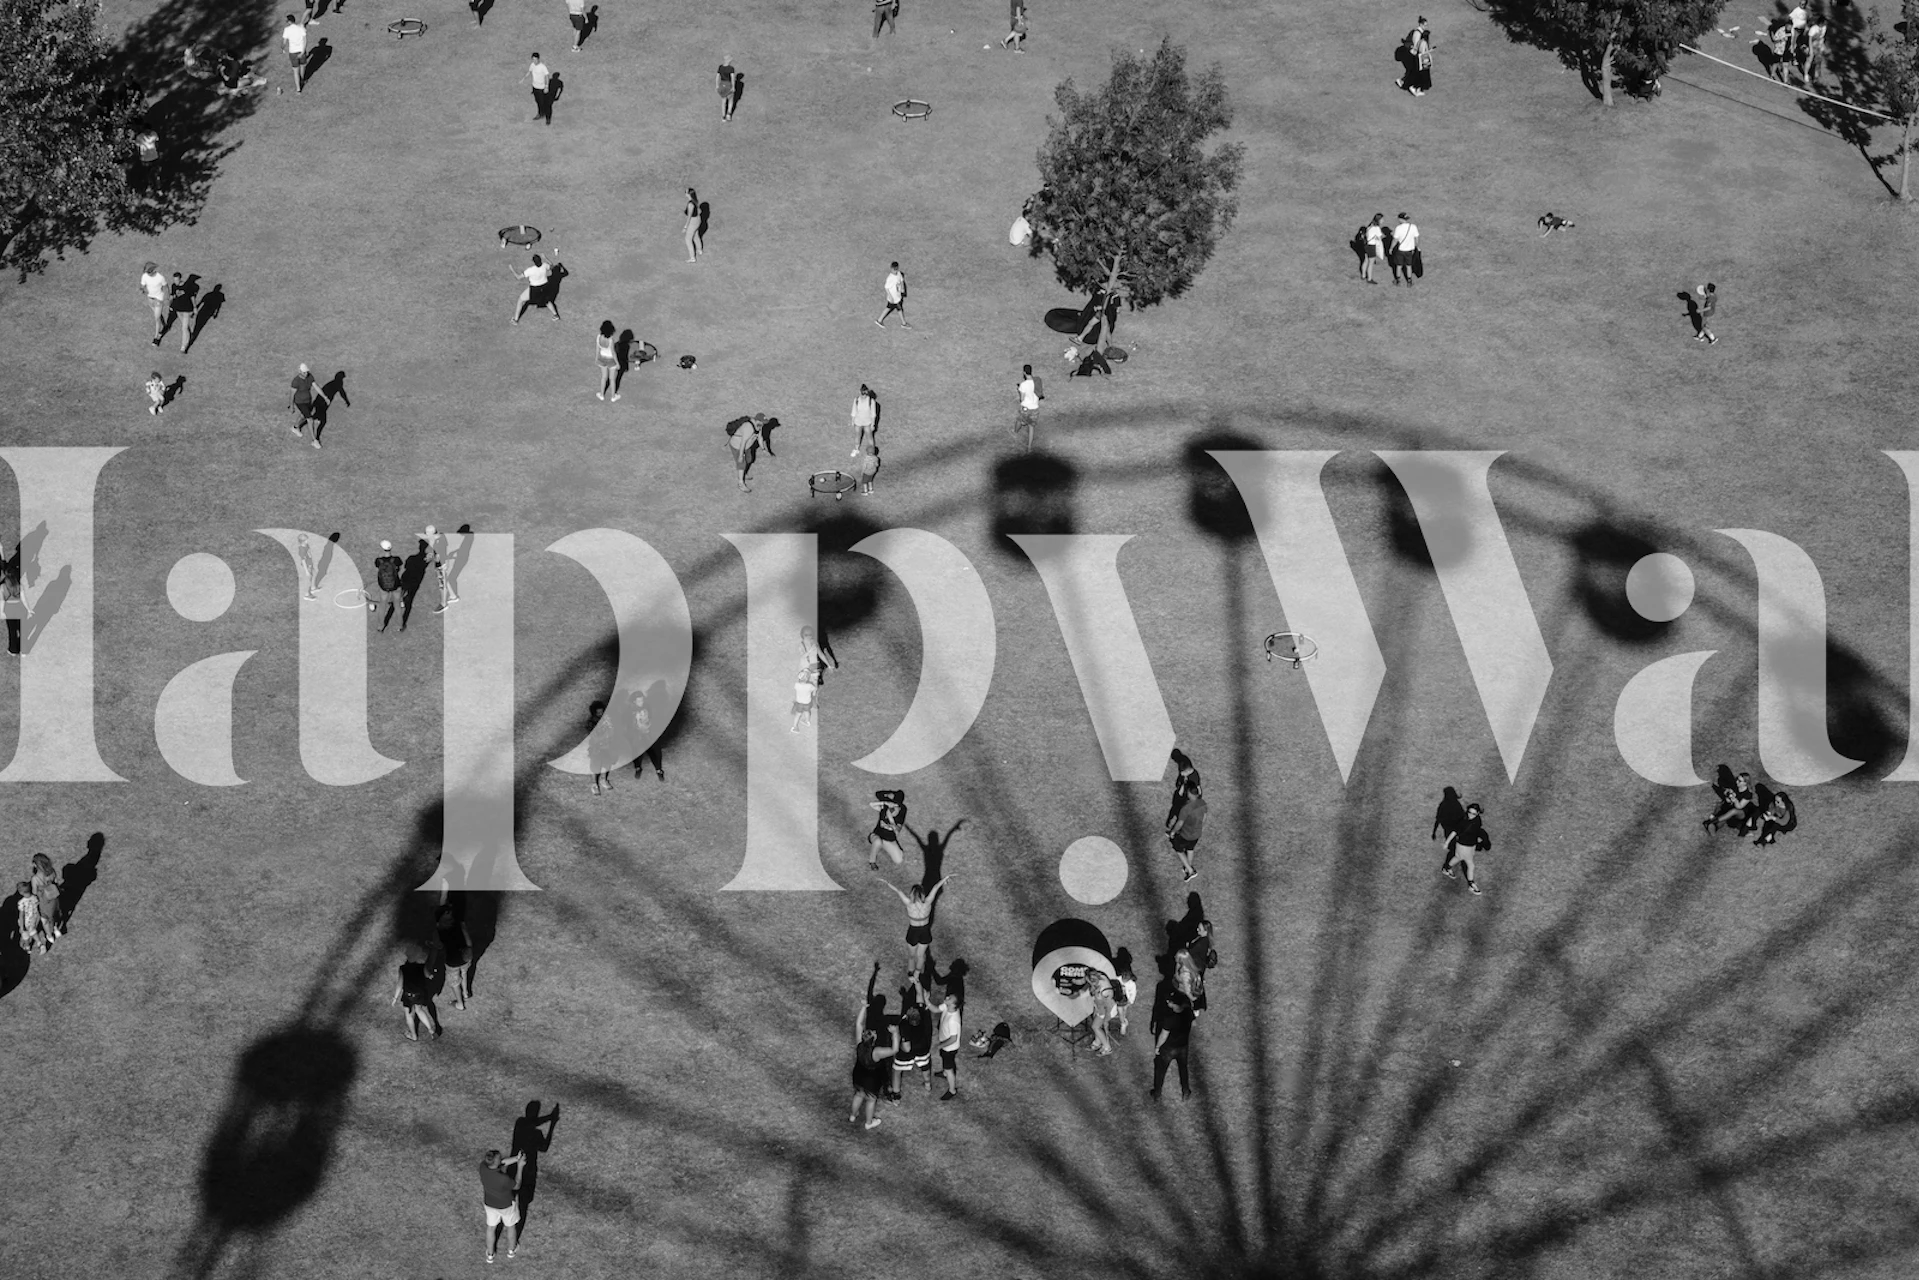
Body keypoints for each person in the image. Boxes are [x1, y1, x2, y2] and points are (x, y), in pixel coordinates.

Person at [876, 871, 949, 972]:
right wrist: (945, 878)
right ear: (922, 894)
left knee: (911, 956)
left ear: (912, 894)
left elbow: (898, 891)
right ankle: (917, 974)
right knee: (920, 956)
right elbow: (936, 887)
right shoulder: (927, 902)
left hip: (913, 931)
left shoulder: (909, 903)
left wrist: (887, 882)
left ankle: (911, 974)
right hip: (925, 931)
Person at [478, 1149, 526, 1261]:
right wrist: (520, 1166)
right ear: (495, 1162)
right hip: (506, 1205)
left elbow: (502, 1163)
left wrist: (516, 1158)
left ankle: (490, 1254)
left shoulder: (483, 1167)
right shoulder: (503, 1179)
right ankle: (511, 1250)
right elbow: (517, 1185)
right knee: (510, 1226)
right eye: (499, 1158)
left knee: (491, 1228)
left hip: (490, 1204)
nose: (502, 1159)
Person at [1149, 987, 1195, 1101]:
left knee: (1160, 1070)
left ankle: (1157, 1093)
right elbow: (1193, 1023)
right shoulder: (1188, 1013)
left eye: (1169, 1001)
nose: (1167, 1002)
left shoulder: (1170, 1018)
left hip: (1168, 1049)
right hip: (1183, 1046)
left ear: (1174, 1004)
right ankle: (1185, 1091)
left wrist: (1157, 1047)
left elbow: (1163, 1035)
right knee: (1183, 1069)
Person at [391, 941, 442, 1039]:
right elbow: (429, 975)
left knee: (409, 1015)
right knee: (419, 1010)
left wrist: (395, 998)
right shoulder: (422, 967)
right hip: (420, 994)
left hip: (408, 995)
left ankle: (413, 1035)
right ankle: (431, 1030)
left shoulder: (403, 968)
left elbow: (399, 984)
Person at [1165, 776, 1208, 882]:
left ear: (1189, 793)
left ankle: (1190, 870)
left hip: (1186, 834)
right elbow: (1204, 817)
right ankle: (1187, 867)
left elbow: (1180, 823)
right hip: (1197, 833)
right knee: (1190, 848)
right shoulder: (1202, 803)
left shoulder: (1186, 808)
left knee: (1178, 848)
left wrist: (1173, 832)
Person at [1441, 802, 1489, 894]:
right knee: (1471, 865)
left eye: (1473, 813)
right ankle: (1471, 884)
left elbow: (1476, 830)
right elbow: (1454, 832)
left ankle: (1446, 868)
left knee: (1458, 857)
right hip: (1463, 846)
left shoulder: (1478, 820)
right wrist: (1446, 843)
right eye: (1469, 812)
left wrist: (1477, 839)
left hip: (1471, 845)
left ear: (1478, 813)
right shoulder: (1463, 822)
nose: (1470, 815)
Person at [436, 903, 474, 1010]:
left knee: (454, 982)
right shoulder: (458, 924)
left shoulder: (439, 931)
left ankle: (460, 1004)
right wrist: (469, 949)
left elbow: (439, 947)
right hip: (466, 956)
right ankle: (465, 993)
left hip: (452, 961)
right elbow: (467, 937)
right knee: (464, 972)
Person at [1705, 767, 1758, 834]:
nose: (1737, 781)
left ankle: (1710, 822)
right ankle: (1714, 827)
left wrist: (1735, 800)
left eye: (1739, 781)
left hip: (1741, 813)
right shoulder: (1735, 786)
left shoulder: (1748, 794)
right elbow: (1728, 799)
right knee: (1725, 816)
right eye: (1737, 779)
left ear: (1745, 783)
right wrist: (1728, 796)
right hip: (1731, 809)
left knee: (1733, 811)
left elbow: (1739, 806)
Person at [512, 252, 559, 323]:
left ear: (534, 262)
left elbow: (518, 277)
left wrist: (512, 270)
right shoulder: (545, 265)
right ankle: (555, 315)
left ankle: (515, 320)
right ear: (540, 260)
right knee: (547, 301)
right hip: (544, 287)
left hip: (534, 289)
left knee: (520, 300)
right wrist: (545, 258)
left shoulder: (530, 270)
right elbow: (552, 266)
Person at [367, 540, 403, 631]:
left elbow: (377, 566)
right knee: (397, 606)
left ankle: (380, 626)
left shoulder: (378, 561)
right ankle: (400, 626)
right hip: (396, 585)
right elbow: (399, 566)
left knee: (382, 605)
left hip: (383, 587)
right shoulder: (396, 559)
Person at [867, 789, 906, 869]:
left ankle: (882, 846)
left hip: (889, 840)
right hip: (876, 835)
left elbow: (897, 831)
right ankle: (872, 862)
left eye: (897, 807)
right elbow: (872, 804)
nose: (894, 808)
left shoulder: (901, 814)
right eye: (894, 805)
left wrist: (891, 819)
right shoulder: (885, 808)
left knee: (899, 860)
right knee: (877, 842)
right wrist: (885, 802)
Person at [287, 362, 323, 446]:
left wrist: (324, 397)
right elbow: (292, 394)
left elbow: (316, 387)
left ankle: (295, 427)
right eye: (304, 372)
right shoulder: (296, 381)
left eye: (306, 372)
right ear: (299, 371)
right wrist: (292, 406)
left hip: (308, 401)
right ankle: (314, 440)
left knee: (303, 416)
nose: (306, 374)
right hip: (300, 402)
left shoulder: (310, 376)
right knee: (310, 419)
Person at [935, 992, 962, 1100]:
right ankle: (945, 1073)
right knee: (946, 1063)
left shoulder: (953, 1021)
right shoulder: (949, 1007)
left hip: (949, 1048)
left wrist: (940, 1046)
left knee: (949, 1067)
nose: (946, 997)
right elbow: (935, 1009)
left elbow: (953, 1039)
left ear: (953, 1004)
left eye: (949, 998)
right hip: (946, 1047)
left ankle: (952, 1090)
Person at [727, 413, 764, 492]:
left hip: (747, 447)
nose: (763, 424)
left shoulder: (759, 425)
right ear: (757, 420)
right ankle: (741, 483)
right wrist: (740, 455)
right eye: (763, 422)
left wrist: (763, 448)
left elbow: (760, 437)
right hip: (737, 446)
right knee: (741, 463)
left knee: (749, 459)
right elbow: (743, 442)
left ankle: (743, 473)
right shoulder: (748, 428)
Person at [30, 854, 63, 941]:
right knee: (54, 914)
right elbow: (56, 882)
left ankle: (49, 936)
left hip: (44, 901)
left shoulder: (35, 878)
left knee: (45, 920)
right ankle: (56, 929)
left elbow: (34, 892)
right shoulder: (52, 871)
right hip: (54, 896)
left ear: (36, 865)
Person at [15, 879, 52, 955]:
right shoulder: (35, 898)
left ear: (21, 892)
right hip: (34, 920)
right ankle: (40, 944)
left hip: (25, 922)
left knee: (25, 935)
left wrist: (21, 927)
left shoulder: (21, 902)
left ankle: (27, 947)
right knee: (33, 932)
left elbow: (21, 915)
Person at [139, 262, 168, 345]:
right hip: (150, 299)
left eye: (149, 272)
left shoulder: (160, 278)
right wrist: (142, 289)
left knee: (157, 318)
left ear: (153, 270)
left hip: (158, 300)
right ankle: (165, 326)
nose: (147, 273)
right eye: (146, 272)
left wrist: (167, 298)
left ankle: (156, 337)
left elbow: (166, 287)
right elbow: (142, 286)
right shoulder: (144, 276)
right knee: (157, 315)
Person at [167, 271, 197, 353]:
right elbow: (172, 296)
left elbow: (192, 297)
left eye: (177, 280)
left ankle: (183, 346)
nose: (175, 282)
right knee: (185, 326)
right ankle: (190, 335)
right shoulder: (174, 286)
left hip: (187, 310)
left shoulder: (188, 286)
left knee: (184, 328)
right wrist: (170, 305)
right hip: (178, 310)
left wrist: (195, 307)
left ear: (180, 279)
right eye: (174, 280)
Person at [1014, 364, 1041, 451]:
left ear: (1024, 372)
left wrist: (1019, 390)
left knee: (1019, 420)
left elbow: (1022, 399)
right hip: (1035, 407)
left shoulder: (1023, 385)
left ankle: (1015, 432)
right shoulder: (1037, 381)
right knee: (1031, 427)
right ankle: (1029, 447)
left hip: (1026, 407)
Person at [523, 52, 555, 124]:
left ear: (538, 59)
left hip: (541, 88)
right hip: (535, 87)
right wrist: (524, 77)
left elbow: (547, 76)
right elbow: (530, 71)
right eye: (533, 59)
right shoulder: (532, 65)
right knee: (538, 102)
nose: (534, 61)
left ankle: (548, 118)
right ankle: (540, 114)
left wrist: (546, 87)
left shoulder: (542, 67)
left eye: (536, 59)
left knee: (545, 103)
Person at [282, 14, 310, 94]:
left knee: (295, 71)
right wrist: (303, 51)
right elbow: (305, 40)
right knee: (303, 66)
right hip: (301, 51)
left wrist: (282, 48)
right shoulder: (301, 28)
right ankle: (302, 80)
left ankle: (298, 89)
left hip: (293, 53)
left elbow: (284, 42)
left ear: (289, 22)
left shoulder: (287, 29)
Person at [876, 262, 910, 328]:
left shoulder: (899, 274)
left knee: (891, 308)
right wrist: (890, 297)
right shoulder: (890, 278)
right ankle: (903, 323)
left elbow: (901, 280)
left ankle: (879, 320)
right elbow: (886, 287)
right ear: (891, 269)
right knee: (897, 308)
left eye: (896, 269)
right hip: (893, 298)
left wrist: (902, 288)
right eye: (894, 269)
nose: (895, 271)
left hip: (897, 296)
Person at [1390, 212, 1420, 286]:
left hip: (1400, 250)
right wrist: (1416, 246)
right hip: (1410, 250)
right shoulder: (1413, 227)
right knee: (1409, 266)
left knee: (1399, 266)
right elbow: (1416, 238)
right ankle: (1409, 281)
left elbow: (1395, 240)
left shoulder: (1398, 228)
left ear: (1401, 219)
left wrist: (1391, 248)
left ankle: (1398, 281)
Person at [1, 558, 23, 657]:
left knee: (12, 630)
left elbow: (2, 601)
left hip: (9, 611)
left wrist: (2, 612)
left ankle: (13, 649)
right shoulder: (20, 583)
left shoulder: (3, 586)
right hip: (20, 609)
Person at [595, 320, 620, 401]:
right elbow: (613, 352)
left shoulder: (599, 337)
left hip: (602, 358)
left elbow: (597, 349)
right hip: (611, 360)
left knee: (603, 377)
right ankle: (613, 397)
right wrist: (617, 363)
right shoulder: (610, 340)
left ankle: (601, 395)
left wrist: (596, 358)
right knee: (612, 379)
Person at [1360, 214, 1385, 284]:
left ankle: (1363, 275)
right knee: (1371, 263)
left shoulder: (1370, 225)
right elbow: (1380, 237)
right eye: (1382, 219)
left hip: (1366, 245)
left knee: (1366, 260)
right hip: (1371, 246)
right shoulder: (1376, 228)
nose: (1383, 221)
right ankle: (1369, 279)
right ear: (1378, 220)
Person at [791, 667, 819, 731]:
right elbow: (815, 689)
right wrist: (814, 693)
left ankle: (795, 727)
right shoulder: (809, 686)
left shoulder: (796, 685)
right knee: (807, 711)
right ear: (807, 679)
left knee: (798, 714)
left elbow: (797, 687)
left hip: (799, 703)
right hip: (807, 703)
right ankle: (807, 721)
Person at [683, 189, 703, 262]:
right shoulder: (695, 200)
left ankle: (692, 257)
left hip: (693, 221)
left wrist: (685, 227)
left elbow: (689, 216)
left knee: (688, 239)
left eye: (686, 192)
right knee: (695, 235)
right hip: (698, 219)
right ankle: (699, 250)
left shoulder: (690, 204)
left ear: (689, 194)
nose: (685, 193)